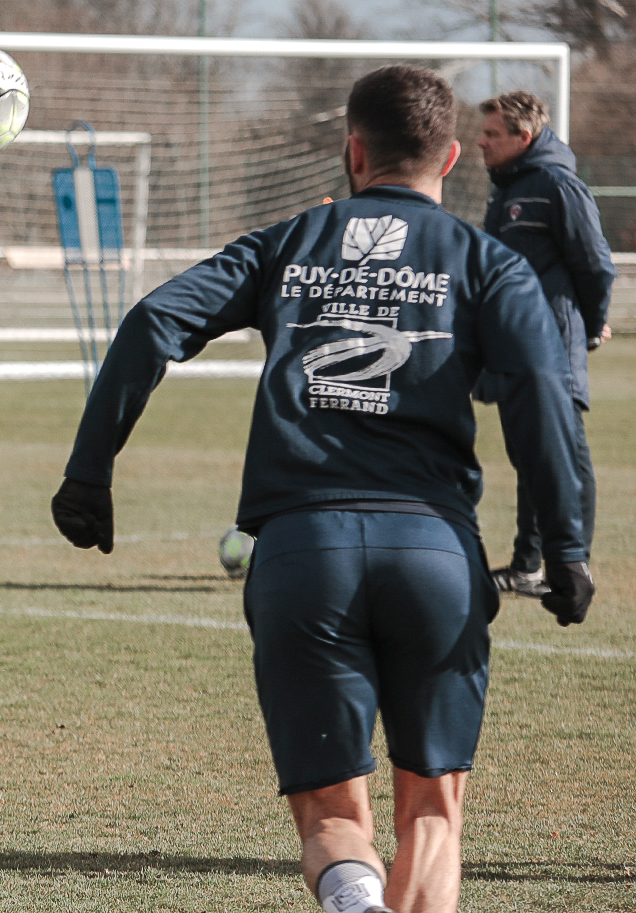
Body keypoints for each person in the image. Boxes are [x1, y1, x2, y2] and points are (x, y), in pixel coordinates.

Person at [50, 66, 594, 913]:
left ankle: (352, 899)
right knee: (433, 816)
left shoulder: (287, 242)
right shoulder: (489, 265)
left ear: (352, 150)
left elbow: (152, 321)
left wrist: (90, 472)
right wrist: (564, 546)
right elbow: (542, 405)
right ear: (451, 158)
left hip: (304, 558)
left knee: (335, 822)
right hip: (436, 558)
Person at [476, 91, 616, 597]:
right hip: (511, 346)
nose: (481, 141)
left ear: (523, 137)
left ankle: (569, 564)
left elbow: (595, 264)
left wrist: (591, 326)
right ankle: (529, 563)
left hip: (553, 346)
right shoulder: (506, 189)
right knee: (530, 455)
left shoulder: (557, 185)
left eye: (492, 134)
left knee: (565, 455)